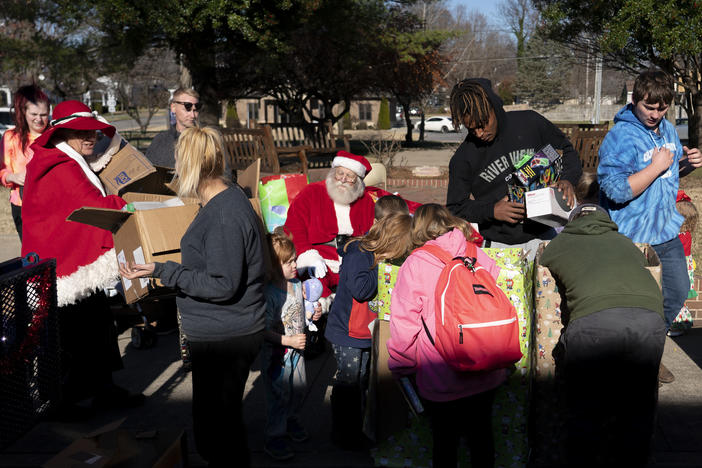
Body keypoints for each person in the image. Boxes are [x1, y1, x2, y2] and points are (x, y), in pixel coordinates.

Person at [119, 126, 266, 467]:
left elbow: (222, 284)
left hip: (226, 336)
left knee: (219, 434)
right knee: (218, 428)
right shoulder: (220, 202)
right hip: (223, 332)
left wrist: (164, 271)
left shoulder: (224, 213)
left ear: (190, 165)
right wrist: (158, 269)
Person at [22, 100, 143, 417]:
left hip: (69, 264)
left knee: (99, 324)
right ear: (64, 133)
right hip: (62, 267)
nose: (89, 137)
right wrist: (126, 203)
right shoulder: (60, 166)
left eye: (92, 132)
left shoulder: (66, 161)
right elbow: (91, 207)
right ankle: (63, 401)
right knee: (73, 337)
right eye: (80, 132)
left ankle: (103, 388)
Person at [540, 202, 665, 467]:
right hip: (650, 320)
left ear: (572, 221)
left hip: (594, 322)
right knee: (637, 410)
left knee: (585, 412)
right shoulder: (625, 242)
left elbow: (544, 266)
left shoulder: (560, 243)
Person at [597, 69, 702, 382]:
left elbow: (666, 175)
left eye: (663, 108)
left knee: (677, 290)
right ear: (634, 100)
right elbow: (614, 190)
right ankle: (633, 361)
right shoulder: (620, 136)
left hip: (665, 229)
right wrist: (656, 167)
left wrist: (685, 164)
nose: (656, 114)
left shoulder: (667, 129)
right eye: (649, 107)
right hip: (631, 237)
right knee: (633, 304)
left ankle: (646, 353)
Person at [387, 204, 507, 468]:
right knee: (482, 439)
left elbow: (404, 323)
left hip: (440, 373)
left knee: (444, 442)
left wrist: (401, 366)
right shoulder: (478, 254)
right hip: (486, 369)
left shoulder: (416, 263)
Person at [445, 78, 583, 260]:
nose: (479, 133)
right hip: (498, 247)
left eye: (482, 125)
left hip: (545, 236)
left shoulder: (530, 123)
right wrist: (492, 210)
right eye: (471, 129)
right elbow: (455, 207)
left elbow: (567, 150)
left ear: (494, 107)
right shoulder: (464, 157)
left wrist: (567, 179)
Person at [326, 212, 413, 449]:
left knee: (361, 380)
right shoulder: (360, 254)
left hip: (364, 331)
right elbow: (361, 290)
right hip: (347, 333)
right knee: (349, 383)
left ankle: (356, 427)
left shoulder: (371, 255)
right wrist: (383, 267)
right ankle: (343, 432)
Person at [262, 230, 321, 461]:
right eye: (288, 262)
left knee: (298, 390)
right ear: (273, 266)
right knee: (278, 396)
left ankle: (291, 420)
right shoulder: (269, 294)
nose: (295, 265)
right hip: (277, 354)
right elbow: (262, 330)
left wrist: (313, 314)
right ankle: (274, 437)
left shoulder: (297, 284)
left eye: (294, 259)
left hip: (296, 353)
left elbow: (302, 311)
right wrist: (287, 340)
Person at [0, 84, 50, 240]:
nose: (39, 119)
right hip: (22, 206)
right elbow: (2, 172)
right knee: (32, 257)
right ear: (24, 112)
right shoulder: (10, 137)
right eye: (34, 114)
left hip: (52, 205)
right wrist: (13, 177)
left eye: (44, 114)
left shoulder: (55, 136)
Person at [145, 87, 200, 168]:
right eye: (187, 108)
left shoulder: (208, 141)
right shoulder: (160, 140)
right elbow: (147, 172)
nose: (192, 115)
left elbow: (223, 176)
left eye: (196, 109)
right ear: (173, 108)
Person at [668, 189, 698, 337]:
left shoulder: (677, 236)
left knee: (675, 298)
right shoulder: (687, 234)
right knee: (678, 298)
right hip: (684, 265)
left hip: (678, 266)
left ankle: (679, 324)